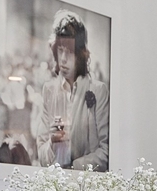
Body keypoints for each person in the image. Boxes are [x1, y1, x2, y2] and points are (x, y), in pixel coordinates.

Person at [36, 10, 109, 171]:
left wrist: (72, 167)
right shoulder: (49, 90)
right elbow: (41, 154)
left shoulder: (98, 91)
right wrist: (52, 144)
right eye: (60, 50)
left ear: (81, 54)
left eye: (69, 52)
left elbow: (106, 153)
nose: (63, 59)